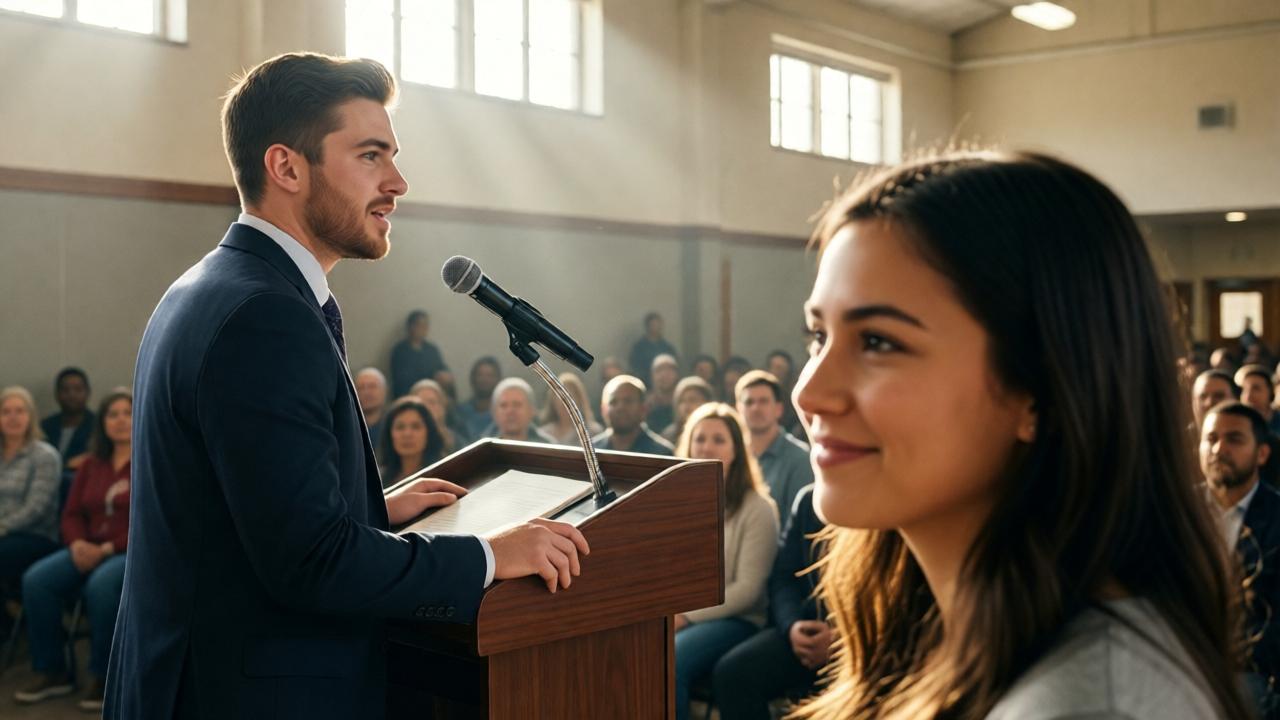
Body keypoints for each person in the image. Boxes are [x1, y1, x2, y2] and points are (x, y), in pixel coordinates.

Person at [105, 53, 588, 720]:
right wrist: (488, 556)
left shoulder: (215, 285)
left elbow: (231, 510)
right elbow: (311, 565)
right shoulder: (266, 316)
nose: (398, 182)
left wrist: (366, 509)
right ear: (287, 167)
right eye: (371, 156)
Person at [791, 152, 1250, 719]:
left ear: (1039, 387)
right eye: (818, 336)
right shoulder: (936, 628)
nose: (810, 394)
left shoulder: (1091, 707)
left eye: (878, 342)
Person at [16, 389, 134, 711]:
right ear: (103, 423)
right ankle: (53, 671)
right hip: (86, 546)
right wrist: (78, 543)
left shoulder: (149, 461)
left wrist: (108, 548)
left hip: (127, 552)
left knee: (101, 588)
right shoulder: (91, 464)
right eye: (113, 414)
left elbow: (150, 521)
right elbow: (70, 514)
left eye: (127, 413)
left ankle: (103, 677)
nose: (121, 420)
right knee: (37, 580)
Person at [673, 403, 778, 720]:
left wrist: (685, 616)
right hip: (680, 614)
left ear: (736, 449)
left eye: (719, 439)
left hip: (738, 619)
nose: (707, 446)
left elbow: (748, 590)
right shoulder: (674, 503)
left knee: (671, 660)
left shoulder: (757, 508)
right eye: (700, 438)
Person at [713, 485, 828, 720]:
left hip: (857, 637)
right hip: (800, 629)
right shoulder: (808, 499)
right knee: (733, 673)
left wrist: (839, 640)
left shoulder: (885, 506)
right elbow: (784, 578)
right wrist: (792, 626)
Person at [1199, 401, 1280, 716]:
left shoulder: (1275, 518)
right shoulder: (1175, 513)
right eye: (1210, 438)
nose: (1219, 449)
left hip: (1251, 669)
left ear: (1262, 453)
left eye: (1234, 439)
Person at [0, 387, 62, 613]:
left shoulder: (45, 455)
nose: (13, 417)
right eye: (6, 412)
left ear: (31, 417)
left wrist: (3, 526)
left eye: (20, 411)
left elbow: (36, 507)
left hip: (35, 536)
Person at [735, 370, 812, 524]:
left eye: (763, 401)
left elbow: (798, 527)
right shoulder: (732, 454)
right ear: (738, 409)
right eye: (749, 402)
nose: (756, 408)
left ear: (779, 409)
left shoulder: (800, 459)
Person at [592, 375, 674, 456]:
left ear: (643, 409)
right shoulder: (590, 452)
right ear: (603, 409)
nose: (620, 408)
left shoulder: (663, 454)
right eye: (613, 402)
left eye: (628, 401)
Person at [377, 397, 446, 488]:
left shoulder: (445, 472)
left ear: (429, 433)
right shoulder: (377, 481)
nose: (407, 434)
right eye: (400, 427)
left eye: (416, 426)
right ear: (389, 434)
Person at [39, 367, 94, 480]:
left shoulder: (98, 425)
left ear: (87, 392)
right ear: (57, 394)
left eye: (78, 389)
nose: (71, 395)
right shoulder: (45, 426)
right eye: (65, 390)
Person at [390, 309, 449, 398]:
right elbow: (401, 381)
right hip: (409, 395)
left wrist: (444, 375)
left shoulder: (432, 350)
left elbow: (441, 368)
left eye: (426, 325)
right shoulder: (399, 351)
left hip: (432, 393)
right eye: (420, 325)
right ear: (410, 326)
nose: (424, 329)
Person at [537, 371, 602, 445]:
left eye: (569, 395)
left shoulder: (592, 432)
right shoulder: (544, 434)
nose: (564, 401)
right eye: (559, 396)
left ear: (579, 400)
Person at [411, 378, 470, 454]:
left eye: (431, 402)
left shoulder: (455, 441)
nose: (426, 408)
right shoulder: (405, 438)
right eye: (421, 403)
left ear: (442, 407)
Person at [629, 312, 678, 387]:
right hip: (645, 384)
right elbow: (635, 367)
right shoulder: (639, 348)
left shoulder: (667, 347)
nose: (656, 327)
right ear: (647, 326)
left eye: (658, 324)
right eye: (653, 325)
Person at [457, 356, 501, 439]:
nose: (484, 380)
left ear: (498, 379)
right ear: (473, 378)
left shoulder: (504, 412)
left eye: (490, 375)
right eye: (480, 375)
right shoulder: (460, 413)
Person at [661, 375, 714, 444]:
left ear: (706, 402)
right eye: (681, 401)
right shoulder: (668, 437)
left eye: (692, 400)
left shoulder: (717, 431)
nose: (686, 406)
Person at [1237, 364, 1280, 435]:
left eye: (1256, 388)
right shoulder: (1235, 423)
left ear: (1271, 391)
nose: (1248, 395)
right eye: (1244, 390)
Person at [646, 353, 679, 434]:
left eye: (669, 369)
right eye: (659, 370)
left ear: (677, 374)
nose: (664, 374)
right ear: (652, 375)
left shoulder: (683, 403)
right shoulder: (644, 405)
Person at [354, 367, 389, 443]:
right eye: (361, 388)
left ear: (384, 391)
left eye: (372, 386)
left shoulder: (393, 426)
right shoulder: (349, 427)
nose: (367, 393)